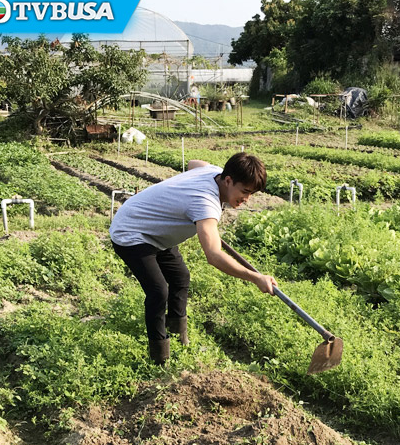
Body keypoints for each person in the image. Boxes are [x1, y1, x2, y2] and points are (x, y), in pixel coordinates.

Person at [109, 152, 278, 364]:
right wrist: (255, 277)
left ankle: (180, 338)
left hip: (157, 232)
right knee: (158, 290)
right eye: (244, 191)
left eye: (251, 194)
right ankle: (160, 357)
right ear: (228, 180)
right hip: (131, 231)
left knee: (180, 277)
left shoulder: (212, 171)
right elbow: (214, 256)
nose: (246, 199)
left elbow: (194, 163)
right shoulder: (205, 203)